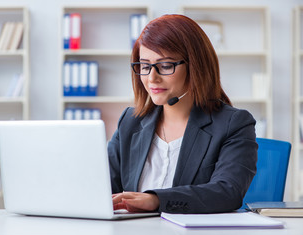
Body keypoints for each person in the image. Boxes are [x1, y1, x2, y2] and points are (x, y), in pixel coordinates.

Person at [108, 14, 258, 214]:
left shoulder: (233, 124)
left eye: (165, 66)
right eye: (145, 66)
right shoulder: (131, 121)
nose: (152, 78)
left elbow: (227, 192)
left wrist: (156, 200)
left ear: (195, 65)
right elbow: (102, 185)